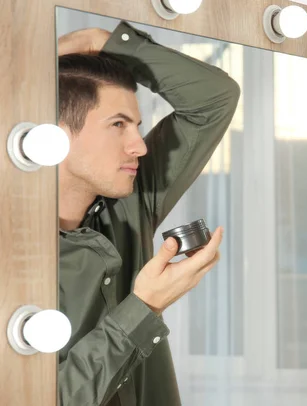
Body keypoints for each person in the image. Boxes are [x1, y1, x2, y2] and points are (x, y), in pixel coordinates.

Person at [57, 21, 240, 405]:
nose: (139, 145)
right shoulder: (13, 254)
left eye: (136, 125)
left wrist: (105, 43)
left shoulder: (130, 199)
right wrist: (145, 307)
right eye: (118, 125)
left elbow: (215, 98)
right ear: (55, 133)